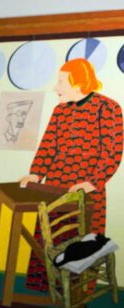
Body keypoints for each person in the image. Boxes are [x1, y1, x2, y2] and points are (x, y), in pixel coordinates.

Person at [18, 58, 123, 293]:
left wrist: (93, 182)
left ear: (79, 83)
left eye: (61, 82)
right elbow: (48, 145)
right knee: (51, 240)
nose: (56, 88)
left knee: (82, 244)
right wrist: (36, 174)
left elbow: (112, 150)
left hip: (87, 190)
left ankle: (78, 302)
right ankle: (52, 296)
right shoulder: (60, 111)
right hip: (55, 187)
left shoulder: (108, 108)